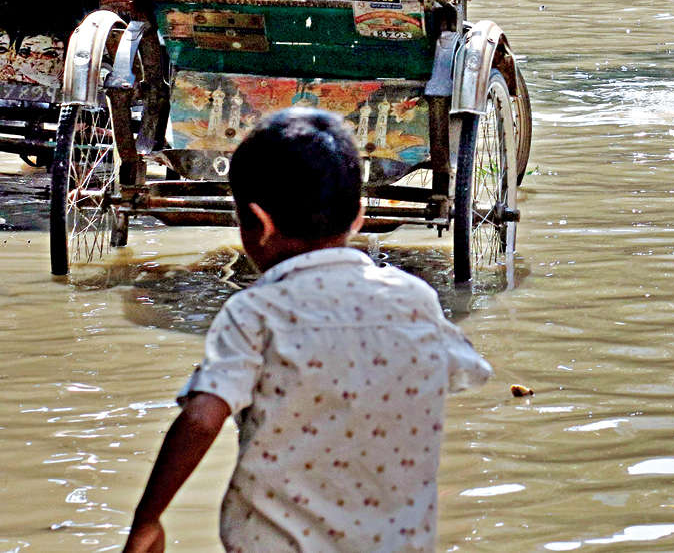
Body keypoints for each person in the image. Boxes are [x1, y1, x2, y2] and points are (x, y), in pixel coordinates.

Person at [121, 108, 490, 553]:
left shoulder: (255, 313)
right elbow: (464, 370)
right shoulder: (415, 300)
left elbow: (202, 417)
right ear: (358, 216)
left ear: (259, 224)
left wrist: (148, 519)